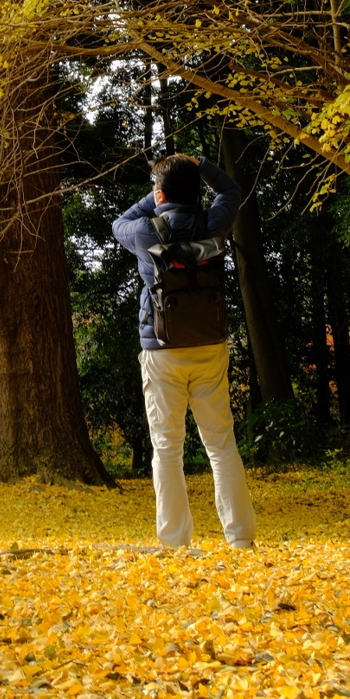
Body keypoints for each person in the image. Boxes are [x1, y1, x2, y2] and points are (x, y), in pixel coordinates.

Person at [113, 152, 256, 549]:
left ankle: (175, 541)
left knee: (166, 446)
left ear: (159, 195)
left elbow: (117, 223)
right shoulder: (214, 221)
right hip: (210, 344)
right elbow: (230, 189)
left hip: (161, 349)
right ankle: (240, 538)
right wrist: (202, 164)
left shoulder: (145, 232)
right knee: (222, 444)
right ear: (197, 191)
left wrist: (157, 194)